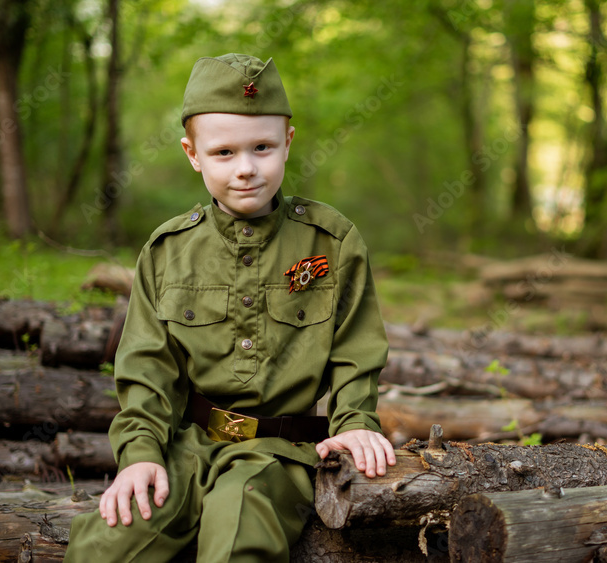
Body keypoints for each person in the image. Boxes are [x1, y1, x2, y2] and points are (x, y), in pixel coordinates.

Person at [66, 53, 396, 562]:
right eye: (223, 152)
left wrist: (355, 420)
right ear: (192, 154)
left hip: (278, 455)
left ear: (287, 141)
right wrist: (140, 456)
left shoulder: (329, 242)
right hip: (187, 446)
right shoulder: (168, 250)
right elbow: (147, 369)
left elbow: (356, 346)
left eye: (261, 147)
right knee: (107, 544)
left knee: (239, 528)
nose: (245, 169)